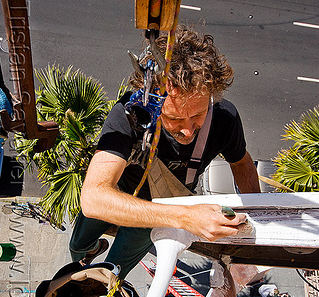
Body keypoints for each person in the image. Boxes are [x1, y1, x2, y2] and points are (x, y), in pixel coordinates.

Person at [69, 25, 260, 279]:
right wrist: (186, 217)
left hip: (159, 209)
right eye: (174, 118)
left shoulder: (224, 118)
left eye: (197, 115)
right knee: (77, 248)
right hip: (122, 193)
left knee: (111, 275)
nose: (188, 131)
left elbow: (241, 162)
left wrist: (258, 218)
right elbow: (94, 198)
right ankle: (91, 249)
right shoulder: (132, 113)